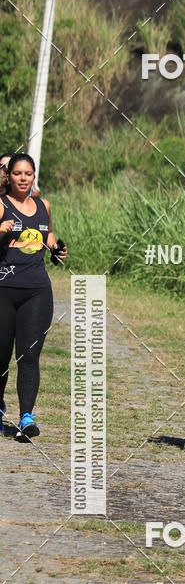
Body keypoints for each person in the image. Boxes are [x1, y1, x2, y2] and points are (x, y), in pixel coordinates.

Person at [0, 153, 67, 440]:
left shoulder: (44, 206)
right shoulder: (0, 205)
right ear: (9, 177)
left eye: (28, 173)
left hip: (37, 291)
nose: (23, 178)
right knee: (2, 358)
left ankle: (26, 418)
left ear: (34, 175)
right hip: (4, 291)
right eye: (17, 173)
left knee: (29, 356)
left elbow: (47, 234)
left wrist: (57, 248)